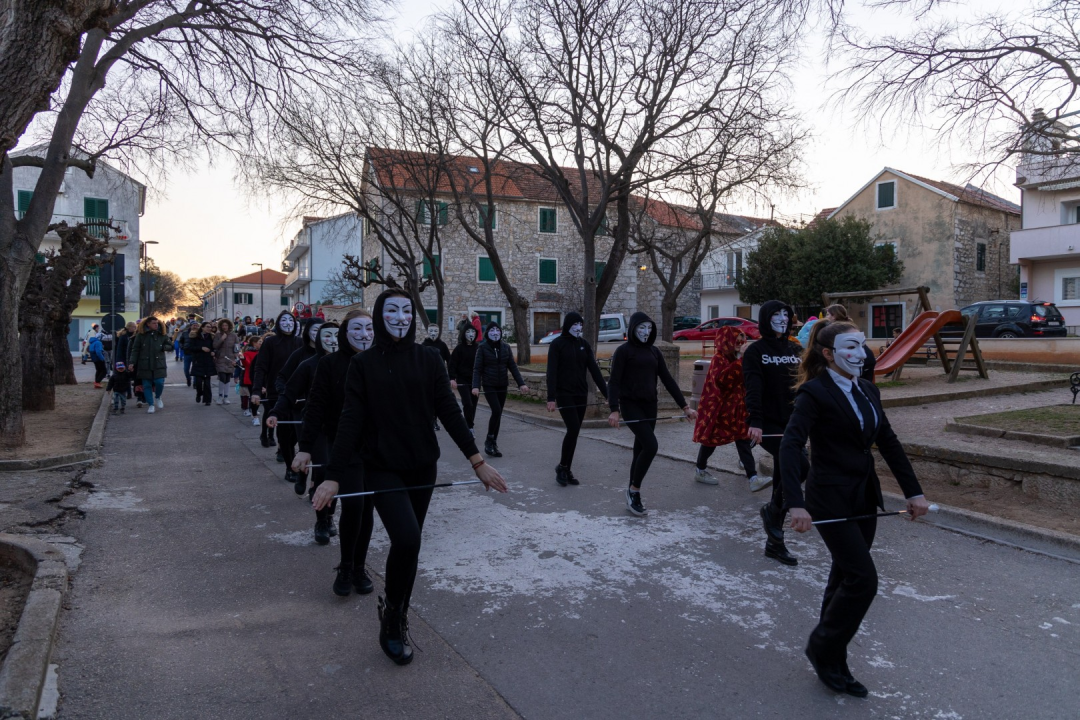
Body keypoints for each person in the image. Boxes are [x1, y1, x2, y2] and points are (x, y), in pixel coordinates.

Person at [317, 289, 508, 666]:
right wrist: (333, 476)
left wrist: (477, 461)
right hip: (382, 467)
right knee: (407, 536)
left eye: (407, 310)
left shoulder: (429, 359)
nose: (401, 317)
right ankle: (393, 620)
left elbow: (450, 413)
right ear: (379, 315)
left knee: (409, 546)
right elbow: (350, 422)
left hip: (423, 466)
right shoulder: (363, 365)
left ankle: (396, 609)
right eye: (392, 310)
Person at [780, 320, 929, 697]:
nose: (858, 354)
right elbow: (790, 446)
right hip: (828, 499)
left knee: (844, 577)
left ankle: (833, 656)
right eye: (848, 347)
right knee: (863, 580)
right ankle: (822, 646)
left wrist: (914, 493)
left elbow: (889, 443)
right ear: (828, 353)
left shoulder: (867, 390)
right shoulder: (814, 393)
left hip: (863, 497)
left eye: (862, 345)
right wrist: (795, 504)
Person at [293, 311, 376, 592]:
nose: (364, 334)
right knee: (354, 505)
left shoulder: (380, 360)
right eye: (357, 328)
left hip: (377, 448)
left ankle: (360, 567)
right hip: (341, 443)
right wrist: (304, 448)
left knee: (367, 510)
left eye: (369, 328)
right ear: (345, 332)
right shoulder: (329, 364)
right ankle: (346, 567)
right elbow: (315, 407)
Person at [607, 312, 695, 516]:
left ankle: (631, 491)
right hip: (630, 406)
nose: (646, 332)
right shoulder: (623, 351)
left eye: (649, 328)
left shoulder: (655, 352)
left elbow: (668, 380)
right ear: (633, 329)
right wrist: (614, 409)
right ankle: (634, 490)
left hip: (650, 406)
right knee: (651, 445)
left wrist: (685, 407)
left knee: (640, 450)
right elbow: (614, 382)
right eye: (641, 328)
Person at [743, 299, 804, 566]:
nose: (782, 318)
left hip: (793, 422)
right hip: (767, 424)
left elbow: (806, 383)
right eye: (776, 314)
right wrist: (755, 421)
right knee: (801, 467)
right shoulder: (755, 351)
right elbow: (753, 387)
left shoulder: (796, 348)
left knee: (783, 475)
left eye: (786, 314)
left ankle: (774, 543)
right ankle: (772, 512)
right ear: (765, 319)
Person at [692, 326, 771, 492]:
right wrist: (741, 359)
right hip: (720, 410)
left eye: (741, 339)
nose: (739, 343)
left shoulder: (736, 358)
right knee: (710, 441)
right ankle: (700, 469)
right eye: (736, 339)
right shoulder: (718, 359)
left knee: (742, 440)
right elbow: (723, 380)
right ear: (726, 340)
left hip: (738, 409)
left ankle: (753, 478)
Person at [270, 322, 339, 512]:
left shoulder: (352, 362)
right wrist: (276, 411)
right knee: (323, 468)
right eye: (326, 335)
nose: (332, 340)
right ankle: (323, 519)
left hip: (342, 426)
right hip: (313, 421)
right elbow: (289, 389)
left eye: (337, 335)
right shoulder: (307, 363)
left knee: (337, 473)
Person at [545, 312, 607, 486]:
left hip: (581, 394)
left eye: (581, 324)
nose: (578, 328)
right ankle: (563, 467)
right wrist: (551, 397)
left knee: (575, 432)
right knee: (572, 429)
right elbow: (552, 372)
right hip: (564, 395)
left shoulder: (584, 345)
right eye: (575, 324)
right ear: (568, 325)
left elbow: (594, 371)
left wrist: (608, 394)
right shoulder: (557, 345)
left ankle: (566, 468)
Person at [272, 317, 323, 479]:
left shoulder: (331, 354)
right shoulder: (299, 355)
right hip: (298, 407)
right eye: (315, 330)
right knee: (294, 440)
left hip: (319, 409)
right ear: (307, 332)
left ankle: (314, 481)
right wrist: (286, 395)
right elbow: (282, 377)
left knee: (317, 447)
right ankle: (295, 470)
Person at [471, 321, 528, 458]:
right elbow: (477, 369)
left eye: (497, 330)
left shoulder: (505, 347)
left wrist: (521, 384)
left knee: (499, 413)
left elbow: (512, 367)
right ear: (487, 333)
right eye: (492, 330)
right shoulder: (482, 348)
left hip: (502, 384)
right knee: (496, 410)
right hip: (489, 384)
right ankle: (489, 440)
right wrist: (475, 386)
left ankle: (493, 443)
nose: (495, 332)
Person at [252, 311, 302, 449]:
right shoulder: (270, 342)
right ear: (278, 324)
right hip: (274, 387)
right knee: (273, 413)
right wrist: (257, 389)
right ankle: (269, 437)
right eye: (284, 321)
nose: (288, 324)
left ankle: (284, 446)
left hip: (296, 389)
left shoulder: (300, 342)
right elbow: (261, 367)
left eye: (291, 321)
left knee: (293, 421)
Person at [128, 316, 172, 413]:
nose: (156, 325)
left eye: (157, 323)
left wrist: (165, 347)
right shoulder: (141, 335)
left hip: (159, 363)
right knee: (146, 385)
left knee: (159, 382)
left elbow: (170, 345)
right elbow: (135, 350)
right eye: (153, 323)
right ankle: (151, 404)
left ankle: (158, 397)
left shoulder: (162, 335)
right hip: (144, 364)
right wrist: (132, 362)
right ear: (148, 324)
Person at [823, 304, 876, 382]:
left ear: (833, 316)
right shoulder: (850, 326)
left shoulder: (836, 330)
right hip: (868, 358)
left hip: (860, 360)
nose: (826, 317)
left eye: (827, 314)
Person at [448, 323, 480, 436]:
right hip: (462, 380)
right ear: (463, 334)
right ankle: (470, 427)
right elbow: (452, 364)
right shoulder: (459, 349)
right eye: (468, 332)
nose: (471, 334)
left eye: (473, 332)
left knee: (474, 404)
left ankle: (468, 423)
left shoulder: (478, 348)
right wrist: (452, 378)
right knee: (467, 403)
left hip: (475, 380)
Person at [189, 321, 216, 406]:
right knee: (198, 382)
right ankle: (199, 393)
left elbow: (214, 347)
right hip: (198, 361)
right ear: (203, 327)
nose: (209, 328)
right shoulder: (195, 336)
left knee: (207, 383)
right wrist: (201, 348)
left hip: (208, 361)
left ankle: (207, 400)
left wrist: (213, 352)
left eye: (210, 327)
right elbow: (190, 347)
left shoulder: (211, 337)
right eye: (207, 327)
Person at [212, 319, 239, 405]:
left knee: (227, 378)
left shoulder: (234, 336)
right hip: (220, 358)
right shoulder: (217, 335)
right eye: (223, 325)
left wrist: (236, 357)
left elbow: (237, 347)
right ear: (220, 326)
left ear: (229, 326)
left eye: (226, 325)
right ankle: (220, 396)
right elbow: (215, 346)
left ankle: (226, 397)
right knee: (222, 377)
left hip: (230, 359)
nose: (224, 327)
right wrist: (222, 339)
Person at [240, 336, 260, 420]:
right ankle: (253, 413)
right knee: (253, 395)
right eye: (259, 342)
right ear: (254, 343)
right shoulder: (247, 353)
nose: (261, 343)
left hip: (260, 378)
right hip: (250, 377)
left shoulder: (262, 352)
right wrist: (243, 359)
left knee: (259, 397)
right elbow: (248, 364)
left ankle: (253, 410)